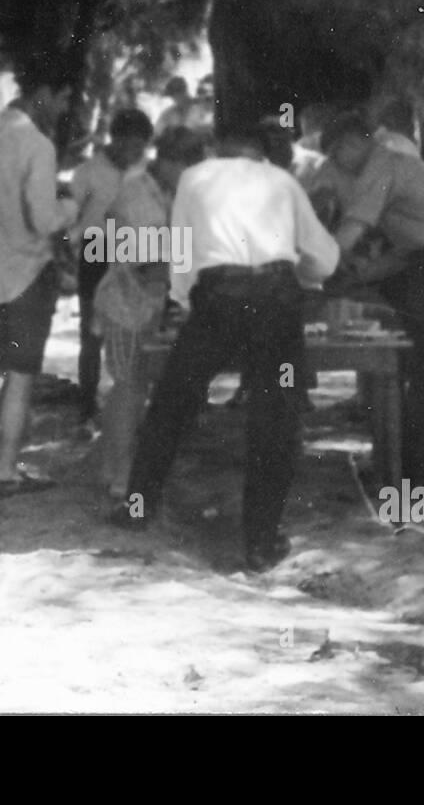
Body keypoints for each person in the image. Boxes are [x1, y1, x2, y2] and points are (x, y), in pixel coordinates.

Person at [111, 125, 339, 572]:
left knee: (172, 403)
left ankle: (137, 508)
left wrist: (182, 302)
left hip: (219, 297)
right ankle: (260, 544)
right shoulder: (282, 181)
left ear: (218, 148)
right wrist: (307, 278)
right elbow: (323, 256)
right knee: (275, 416)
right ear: (260, 154)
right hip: (275, 295)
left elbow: (182, 252)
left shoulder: (196, 178)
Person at [314, 105, 424, 490]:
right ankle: (405, 471)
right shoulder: (382, 166)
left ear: (353, 143)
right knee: (416, 375)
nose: (336, 163)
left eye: (337, 152)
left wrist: (318, 266)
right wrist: (364, 272)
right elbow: (411, 245)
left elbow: (354, 227)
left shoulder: (383, 163)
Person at [0, 76, 77, 491]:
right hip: (24, 273)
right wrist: (70, 206)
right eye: (61, 99)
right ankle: (6, 469)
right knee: (20, 375)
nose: (62, 110)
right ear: (44, 94)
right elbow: (43, 220)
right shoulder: (36, 145)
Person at [91, 126, 208, 499]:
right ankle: (121, 476)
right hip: (126, 306)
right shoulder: (139, 200)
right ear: (171, 162)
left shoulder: (161, 192)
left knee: (134, 387)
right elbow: (151, 267)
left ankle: (117, 470)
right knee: (127, 388)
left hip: (145, 305)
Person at [69, 107, 154, 424]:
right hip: (97, 249)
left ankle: (132, 400)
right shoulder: (88, 172)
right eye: (131, 145)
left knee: (137, 329)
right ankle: (87, 403)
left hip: (135, 252)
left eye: (141, 147)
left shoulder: (145, 171)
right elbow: (71, 216)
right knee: (92, 333)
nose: (135, 153)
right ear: (115, 140)